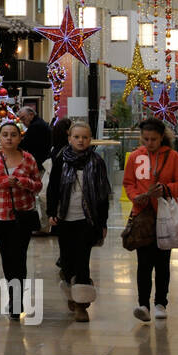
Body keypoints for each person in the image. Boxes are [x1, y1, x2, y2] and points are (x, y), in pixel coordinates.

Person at [0, 121, 43, 320]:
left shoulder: (28, 159)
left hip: (23, 215)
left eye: (13, 134)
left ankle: (16, 300)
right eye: (5, 134)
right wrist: (1, 182)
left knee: (19, 257)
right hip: (0, 216)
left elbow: (38, 185)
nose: (9, 138)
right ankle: (13, 295)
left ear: (20, 138)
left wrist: (25, 183)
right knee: (8, 257)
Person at [123, 118, 178, 322]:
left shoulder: (173, 156)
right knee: (143, 263)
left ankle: (161, 302)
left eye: (153, 139)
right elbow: (128, 182)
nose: (149, 143)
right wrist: (135, 197)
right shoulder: (135, 157)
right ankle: (143, 304)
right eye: (145, 139)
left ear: (162, 138)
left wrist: (167, 190)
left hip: (164, 216)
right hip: (142, 216)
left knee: (162, 262)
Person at [45, 120, 110, 322]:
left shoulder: (97, 161)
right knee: (66, 260)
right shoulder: (60, 160)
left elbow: (102, 194)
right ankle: (71, 290)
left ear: (90, 139)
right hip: (65, 217)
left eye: (84, 137)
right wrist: (51, 212)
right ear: (69, 139)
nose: (81, 141)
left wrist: (103, 222)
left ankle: (82, 304)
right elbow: (53, 188)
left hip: (87, 218)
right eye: (76, 137)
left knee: (82, 260)